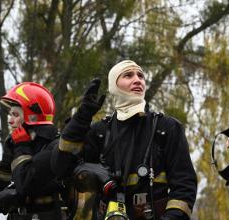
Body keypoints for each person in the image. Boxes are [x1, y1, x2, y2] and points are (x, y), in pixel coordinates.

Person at [51, 60, 197, 220]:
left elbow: (185, 186)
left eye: (141, 76)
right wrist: (81, 119)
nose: (137, 80)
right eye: (128, 75)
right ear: (114, 85)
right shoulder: (99, 132)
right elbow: (61, 169)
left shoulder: (166, 128)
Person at [0, 82, 67, 220]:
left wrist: (21, 147)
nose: (10, 121)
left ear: (32, 117)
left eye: (15, 115)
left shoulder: (55, 146)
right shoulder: (17, 144)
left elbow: (26, 184)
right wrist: (6, 161)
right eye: (10, 115)